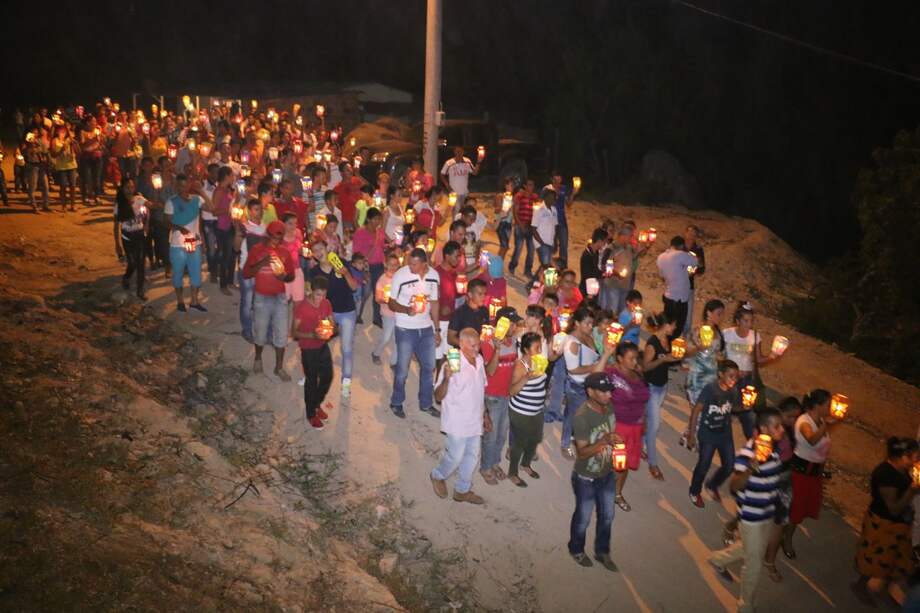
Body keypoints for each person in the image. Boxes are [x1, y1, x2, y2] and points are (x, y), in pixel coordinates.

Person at [709, 409, 786, 613]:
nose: (782, 430)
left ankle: (717, 559)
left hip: (766, 514)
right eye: (777, 426)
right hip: (751, 517)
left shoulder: (774, 450)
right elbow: (734, 486)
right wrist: (753, 466)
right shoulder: (748, 452)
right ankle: (746, 605)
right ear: (763, 428)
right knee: (754, 562)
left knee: (750, 549)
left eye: (781, 426)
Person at [853, 437, 919, 607]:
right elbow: (894, 509)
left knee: (894, 560)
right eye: (914, 457)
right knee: (879, 560)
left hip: (898, 526)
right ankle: (863, 588)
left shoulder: (903, 470)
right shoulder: (885, 475)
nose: (916, 461)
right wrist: (912, 491)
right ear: (903, 456)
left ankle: (884, 589)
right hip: (883, 525)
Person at [568, 372, 622, 572]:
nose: (609, 395)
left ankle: (602, 551)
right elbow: (582, 453)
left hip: (606, 473)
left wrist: (615, 444)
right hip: (586, 478)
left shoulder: (609, 408)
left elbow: (611, 432)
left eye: (610, 391)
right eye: (604, 391)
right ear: (590, 392)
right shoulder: (582, 417)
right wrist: (603, 442)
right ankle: (576, 549)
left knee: (607, 515)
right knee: (584, 517)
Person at [430, 328, 490, 506]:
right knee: (455, 456)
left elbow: (481, 390)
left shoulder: (479, 360)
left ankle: (462, 490)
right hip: (456, 420)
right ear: (461, 344)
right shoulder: (451, 363)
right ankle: (437, 475)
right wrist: (447, 378)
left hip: (475, 419)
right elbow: (438, 396)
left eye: (478, 344)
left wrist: (485, 414)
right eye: (471, 345)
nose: (476, 348)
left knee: (472, 456)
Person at [387, 248, 441, 419]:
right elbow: (391, 302)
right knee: (402, 369)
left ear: (424, 264)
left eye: (414, 264)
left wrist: (437, 329)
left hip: (426, 328)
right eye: (409, 262)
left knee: (429, 367)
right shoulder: (401, 275)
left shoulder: (434, 276)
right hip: (405, 328)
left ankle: (425, 403)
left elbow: (434, 302)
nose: (409, 266)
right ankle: (396, 402)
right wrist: (406, 310)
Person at [784, 389, 837, 559]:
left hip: (812, 474)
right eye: (828, 404)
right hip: (800, 473)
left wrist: (821, 473)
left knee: (802, 509)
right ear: (817, 405)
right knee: (796, 511)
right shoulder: (804, 421)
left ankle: (784, 533)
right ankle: (786, 539)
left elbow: (822, 453)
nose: (831, 407)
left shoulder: (819, 420)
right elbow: (812, 439)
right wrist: (826, 426)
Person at [242, 220, 296, 380]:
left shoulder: (285, 252)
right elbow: (246, 273)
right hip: (261, 297)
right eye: (273, 238)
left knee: (281, 334)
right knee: (260, 332)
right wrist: (262, 263)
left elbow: (291, 275)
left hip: (280, 299)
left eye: (279, 239)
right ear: (267, 235)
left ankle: (278, 367)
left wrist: (284, 277)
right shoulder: (257, 250)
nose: (276, 242)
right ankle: (258, 358)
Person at [307, 240, 359, 399]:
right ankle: (311, 375)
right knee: (318, 345)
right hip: (328, 313)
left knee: (346, 349)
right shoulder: (314, 272)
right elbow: (313, 295)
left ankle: (346, 382)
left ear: (326, 248)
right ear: (313, 255)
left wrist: (345, 273)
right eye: (315, 251)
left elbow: (354, 287)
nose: (319, 252)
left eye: (321, 248)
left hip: (347, 312)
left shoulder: (341, 263)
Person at [687, 360, 741, 508]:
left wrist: (746, 406)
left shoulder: (734, 391)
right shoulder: (710, 389)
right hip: (708, 434)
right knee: (704, 465)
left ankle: (712, 484)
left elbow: (733, 409)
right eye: (730, 376)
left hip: (724, 434)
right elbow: (696, 410)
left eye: (736, 377)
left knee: (729, 465)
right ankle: (694, 490)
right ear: (720, 374)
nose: (733, 380)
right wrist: (691, 434)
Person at [602, 341, 649, 512]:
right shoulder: (611, 373)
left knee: (625, 464)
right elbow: (595, 380)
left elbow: (643, 401)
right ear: (620, 358)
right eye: (630, 358)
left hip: (635, 427)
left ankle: (617, 494)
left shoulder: (638, 374)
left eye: (636, 358)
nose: (634, 362)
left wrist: (643, 423)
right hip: (619, 427)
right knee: (613, 463)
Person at [479, 307, 523, 485]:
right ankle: (486, 467)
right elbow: (489, 371)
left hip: (506, 395)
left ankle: (495, 462)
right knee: (491, 434)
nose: (515, 327)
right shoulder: (488, 341)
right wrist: (496, 349)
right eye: (513, 323)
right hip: (492, 396)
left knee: (501, 434)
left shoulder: (512, 341)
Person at [723, 302, 778, 438]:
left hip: (747, 380)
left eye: (751, 320)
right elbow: (720, 356)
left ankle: (753, 443)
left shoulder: (754, 336)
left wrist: (773, 356)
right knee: (727, 407)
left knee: (748, 413)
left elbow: (758, 359)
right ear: (738, 321)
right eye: (746, 321)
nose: (749, 324)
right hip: (731, 379)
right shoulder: (727, 334)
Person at [292, 276, 335, 430]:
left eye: (324, 295)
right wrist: (313, 335)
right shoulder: (302, 308)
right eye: (318, 295)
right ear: (310, 291)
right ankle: (310, 414)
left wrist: (331, 329)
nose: (320, 299)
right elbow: (294, 332)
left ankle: (316, 404)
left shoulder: (326, 303)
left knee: (328, 376)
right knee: (311, 381)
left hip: (322, 345)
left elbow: (332, 322)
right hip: (308, 348)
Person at [165, 174, 213, 312]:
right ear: (176, 186)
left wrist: (201, 191)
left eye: (185, 184)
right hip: (177, 245)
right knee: (178, 274)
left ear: (190, 185)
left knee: (196, 274)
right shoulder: (171, 202)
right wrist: (180, 228)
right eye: (180, 185)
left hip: (194, 242)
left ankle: (194, 301)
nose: (183, 188)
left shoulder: (196, 199)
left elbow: (212, 208)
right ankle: (180, 301)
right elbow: (166, 222)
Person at [642, 312, 681, 481]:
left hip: (662, 386)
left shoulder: (668, 341)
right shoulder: (652, 344)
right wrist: (663, 360)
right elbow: (645, 367)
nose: (675, 328)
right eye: (673, 325)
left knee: (651, 422)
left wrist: (675, 359)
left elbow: (670, 359)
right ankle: (653, 463)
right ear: (666, 325)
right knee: (655, 425)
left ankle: (639, 445)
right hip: (650, 388)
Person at [560, 308, 603, 459]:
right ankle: (565, 444)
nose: (591, 327)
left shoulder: (587, 335)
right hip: (577, 386)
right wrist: (594, 367)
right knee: (573, 416)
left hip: (589, 383)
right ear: (577, 323)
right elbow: (573, 370)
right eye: (587, 323)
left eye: (592, 323)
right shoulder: (572, 343)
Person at [508, 331, 549, 487]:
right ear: (525, 350)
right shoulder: (520, 366)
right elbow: (511, 391)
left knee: (535, 439)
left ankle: (525, 464)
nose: (539, 351)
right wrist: (526, 378)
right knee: (519, 443)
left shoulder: (540, 362)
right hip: (521, 411)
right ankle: (512, 473)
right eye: (536, 348)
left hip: (537, 410)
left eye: (540, 347)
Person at [655, 235, 698, 342]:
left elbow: (662, 275)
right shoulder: (680, 255)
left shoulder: (661, 257)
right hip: (679, 299)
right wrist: (687, 251)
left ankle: (665, 345)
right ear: (681, 246)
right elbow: (695, 261)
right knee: (677, 328)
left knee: (667, 325)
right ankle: (671, 349)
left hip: (669, 296)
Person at [237, 199, 266, 343]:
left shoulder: (265, 228)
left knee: (258, 302)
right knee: (247, 302)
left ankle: (260, 329)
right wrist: (239, 233)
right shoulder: (244, 227)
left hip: (260, 270)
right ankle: (247, 330)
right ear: (249, 211)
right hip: (247, 270)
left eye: (260, 209)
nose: (258, 212)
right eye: (255, 209)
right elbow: (236, 248)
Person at [115, 178, 149, 300]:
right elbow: (116, 225)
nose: (130, 190)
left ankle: (140, 290)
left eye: (132, 187)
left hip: (139, 235)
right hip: (127, 237)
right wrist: (117, 244)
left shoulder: (138, 199)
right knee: (132, 263)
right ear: (122, 189)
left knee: (141, 263)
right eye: (127, 187)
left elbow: (151, 206)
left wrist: (156, 189)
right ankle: (126, 277)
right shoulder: (119, 204)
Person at [352, 207, 386, 326]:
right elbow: (356, 252)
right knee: (365, 293)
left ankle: (377, 317)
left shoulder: (380, 232)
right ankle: (357, 314)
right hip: (366, 267)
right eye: (375, 219)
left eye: (379, 219)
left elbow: (381, 247)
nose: (378, 222)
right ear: (368, 219)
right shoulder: (360, 233)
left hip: (379, 265)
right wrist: (362, 268)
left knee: (378, 292)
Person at [542, 171, 580, 268]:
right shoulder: (547, 189)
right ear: (552, 179)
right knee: (552, 246)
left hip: (561, 221)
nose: (557, 182)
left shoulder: (564, 188)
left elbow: (568, 204)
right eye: (555, 180)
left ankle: (563, 268)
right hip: (550, 222)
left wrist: (573, 194)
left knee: (564, 246)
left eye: (559, 180)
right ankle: (548, 264)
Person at [435, 241, 463, 365]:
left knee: (447, 355)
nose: (459, 259)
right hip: (439, 321)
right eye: (456, 256)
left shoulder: (453, 273)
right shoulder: (436, 274)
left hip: (450, 321)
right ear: (447, 256)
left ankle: (441, 381)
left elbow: (455, 295)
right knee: (436, 356)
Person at [371, 252, 401, 368]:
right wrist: (387, 300)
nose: (393, 267)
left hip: (399, 313)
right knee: (386, 336)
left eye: (395, 265)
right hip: (387, 313)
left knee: (397, 339)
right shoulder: (382, 280)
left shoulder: (399, 278)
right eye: (391, 264)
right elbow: (378, 298)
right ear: (385, 264)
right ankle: (376, 353)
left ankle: (394, 362)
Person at [211, 166, 237, 294]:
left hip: (229, 224)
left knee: (232, 255)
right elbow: (214, 211)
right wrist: (228, 211)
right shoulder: (219, 191)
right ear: (226, 176)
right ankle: (223, 285)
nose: (233, 178)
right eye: (232, 175)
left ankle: (230, 281)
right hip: (221, 226)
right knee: (225, 256)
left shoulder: (228, 190)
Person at [600, 225, 634, 314]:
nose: (631, 238)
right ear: (623, 236)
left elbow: (634, 257)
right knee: (612, 310)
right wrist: (617, 274)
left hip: (625, 284)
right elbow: (605, 265)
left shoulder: (629, 248)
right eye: (630, 236)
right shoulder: (611, 248)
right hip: (612, 284)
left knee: (622, 311)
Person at [447, 278, 489, 347]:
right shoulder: (459, 313)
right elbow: (450, 338)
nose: (483, 297)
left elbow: (486, 332)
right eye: (480, 294)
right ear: (470, 294)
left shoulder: (484, 311)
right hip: (463, 354)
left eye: (485, 294)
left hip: (480, 353)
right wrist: (470, 346)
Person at [508, 179, 537, 278]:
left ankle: (528, 270)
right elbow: (515, 212)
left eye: (532, 185)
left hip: (530, 226)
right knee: (519, 248)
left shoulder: (535, 197)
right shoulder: (519, 196)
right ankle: (512, 266)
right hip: (520, 225)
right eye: (529, 185)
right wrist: (520, 225)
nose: (531, 187)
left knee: (531, 250)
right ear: (525, 186)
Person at [439, 147, 480, 212]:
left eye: (460, 151)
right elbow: (442, 174)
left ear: (463, 152)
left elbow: (475, 172)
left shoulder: (467, 161)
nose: (459, 153)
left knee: (465, 211)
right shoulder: (449, 163)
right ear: (454, 152)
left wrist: (478, 162)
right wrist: (448, 186)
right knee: (456, 210)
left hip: (465, 192)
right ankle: (455, 222)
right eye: (457, 151)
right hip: (454, 192)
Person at [683, 225, 706, 337]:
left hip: (689, 285)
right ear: (685, 233)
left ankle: (685, 338)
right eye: (690, 233)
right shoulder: (679, 246)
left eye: (694, 235)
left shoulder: (698, 249)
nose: (691, 236)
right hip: (675, 284)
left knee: (688, 314)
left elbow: (702, 268)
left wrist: (697, 268)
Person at [50, 125, 78, 211]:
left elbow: (78, 151)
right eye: (60, 131)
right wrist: (61, 150)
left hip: (72, 165)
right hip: (61, 166)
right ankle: (64, 205)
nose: (62, 133)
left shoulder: (69, 140)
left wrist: (74, 145)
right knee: (63, 186)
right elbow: (53, 155)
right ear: (57, 132)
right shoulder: (55, 141)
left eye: (64, 131)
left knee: (73, 186)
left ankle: (73, 205)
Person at [531, 193, 558, 280]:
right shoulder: (539, 210)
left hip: (550, 241)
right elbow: (533, 228)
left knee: (545, 265)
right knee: (547, 266)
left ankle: (532, 283)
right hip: (541, 242)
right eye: (550, 197)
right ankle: (549, 286)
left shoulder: (554, 210)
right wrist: (542, 243)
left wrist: (555, 242)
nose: (553, 200)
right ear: (545, 198)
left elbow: (555, 227)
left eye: (554, 198)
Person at [579, 227, 608, 297]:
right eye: (604, 241)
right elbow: (588, 275)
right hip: (586, 290)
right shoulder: (587, 255)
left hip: (593, 287)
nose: (605, 244)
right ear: (599, 241)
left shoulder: (596, 253)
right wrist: (602, 274)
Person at [494, 178, 516, 260]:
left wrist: (513, 220)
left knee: (504, 247)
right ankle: (497, 264)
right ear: (505, 185)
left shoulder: (513, 197)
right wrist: (503, 208)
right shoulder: (500, 196)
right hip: (501, 223)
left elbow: (513, 211)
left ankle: (499, 263)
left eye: (513, 185)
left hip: (508, 223)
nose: (512, 187)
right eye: (510, 185)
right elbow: (496, 210)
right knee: (504, 245)